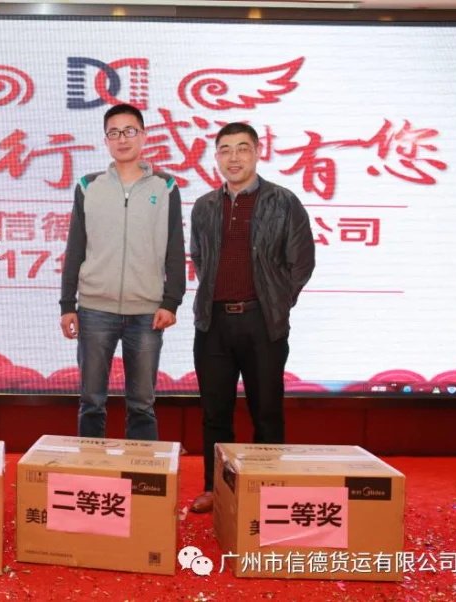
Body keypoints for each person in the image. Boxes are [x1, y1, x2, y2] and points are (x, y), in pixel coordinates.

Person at [188, 122, 315, 513]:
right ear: (216, 157)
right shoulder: (204, 206)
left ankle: (267, 488)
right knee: (215, 414)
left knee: (267, 411)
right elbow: (199, 257)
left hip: (263, 322)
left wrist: (276, 301)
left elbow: (302, 261)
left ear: (257, 153)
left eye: (242, 148)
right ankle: (216, 488)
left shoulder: (283, 201)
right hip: (213, 324)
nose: (234, 157)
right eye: (225, 150)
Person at [59, 103, 186, 440]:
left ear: (143, 136)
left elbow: (175, 248)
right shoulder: (88, 186)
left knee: (142, 405)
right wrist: (67, 304)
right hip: (94, 310)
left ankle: (143, 472)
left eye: (129, 131)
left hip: (146, 312)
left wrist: (171, 301)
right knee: (91, 402)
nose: (122, 139)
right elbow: (75, 249)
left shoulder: (165, 186)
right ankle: (90, 467)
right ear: (106, 140)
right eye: (114, 133)